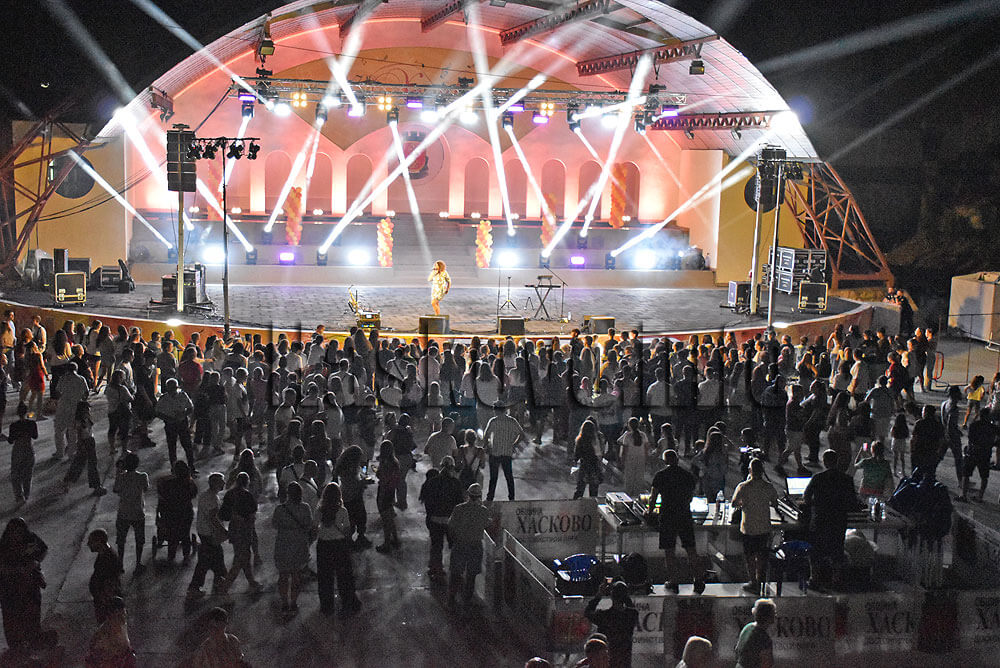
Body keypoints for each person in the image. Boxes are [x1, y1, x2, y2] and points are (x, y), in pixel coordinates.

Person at [647, 450, 704, 593]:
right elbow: (691, 496)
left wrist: (649, 511)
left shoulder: (660, 476)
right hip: (684, 515)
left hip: (667, 516)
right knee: (691, 549)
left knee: (669, 551)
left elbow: (653, 497)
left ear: (665, 461)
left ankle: (674, 581)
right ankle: (698, 580)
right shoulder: (687, 476)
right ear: (677, 460)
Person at [802, 450, 857, 590]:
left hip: (820, 520)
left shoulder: (818, 478)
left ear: (825, 461)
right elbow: (852, 501)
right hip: (839, 521)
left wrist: (814, 505)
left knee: (816, 551)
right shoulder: (847, 479)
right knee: (837, 551)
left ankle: (814, 579)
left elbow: (806, 497)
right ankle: (836, 580)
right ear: (837, 461)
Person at [731, 458, 781, 594]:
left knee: (750, 557)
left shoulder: (743, 486)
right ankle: (761, 582)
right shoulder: (769, 486)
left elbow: (734, 503)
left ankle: (753, 582)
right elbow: (775, 503)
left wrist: (743, 503)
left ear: (750, 471)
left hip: (748, 527)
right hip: (764, 527)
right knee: (761, 556)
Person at [0, 518, 49, 651]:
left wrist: (36, 562)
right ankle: (16, 645)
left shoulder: (30, 539)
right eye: (14, 532)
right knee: (12, 617)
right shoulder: (4, 545)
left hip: (30, 585)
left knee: (32, 612)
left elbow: (43, 549)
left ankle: (33, 637)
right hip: (10, 589)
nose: (17, 535)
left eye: (20, 532)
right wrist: (18, 570)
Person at [314, 482, 361, 617]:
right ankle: (347, 603)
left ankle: (327, 606)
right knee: (344, 576)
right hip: (339, 545)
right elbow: (347, 530)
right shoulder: (342, 511)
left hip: (324, 545)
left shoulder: (319, 511)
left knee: (325, 577)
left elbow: (314, 528)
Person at [418, 457, 464, 581]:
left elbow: (427, 503)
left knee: (436, 546)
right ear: (452, 468)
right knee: (454, 546)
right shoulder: (455, 483)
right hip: (450, 520)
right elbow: (460, 504)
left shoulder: (432, 482)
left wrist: (430, 517)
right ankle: (456, 570)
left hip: (435, 519)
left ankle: (436, 569)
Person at [272, 481, 313, 614]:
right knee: (296, 575)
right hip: (299, 544)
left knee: (283, 575)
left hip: (283, 544)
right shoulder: (305, 508)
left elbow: (274, 524)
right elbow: (309, 524)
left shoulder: (280, 509)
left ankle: (284, 602)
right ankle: (294, 602)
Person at [188, 473, 230, 600]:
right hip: (209, 534)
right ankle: (198, 587)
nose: (224, 483)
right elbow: (213, 518)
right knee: (209, 560)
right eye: (221, 482)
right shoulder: (212, 498)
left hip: (204, 532)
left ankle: (218, 581)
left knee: (211, 559)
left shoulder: (206, 495)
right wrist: (224, 531)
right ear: (215, 483)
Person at [447, 482, 490, 607]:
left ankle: (451, 599)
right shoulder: (483, 511)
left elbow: (451, 526)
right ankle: (467, 601)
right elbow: (487, 525)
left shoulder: (459, 508)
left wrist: (453, 540)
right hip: (475, 546)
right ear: (480, 496)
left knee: (455, 573)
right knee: (471, 576)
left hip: (460, 544)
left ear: (468, 494)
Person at [220, 471, 261, 593]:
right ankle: (225, 587)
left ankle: (252, 581)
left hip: (234, 529)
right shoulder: (247, 495)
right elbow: (252, 515)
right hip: (245, 530)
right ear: (247, 482)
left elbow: (222, 514)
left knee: (244, 557)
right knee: (240, 560)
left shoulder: (229, 494)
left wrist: (234, 516)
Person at [583, 580, 639, 668]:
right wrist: (625, 594)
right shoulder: (632, 615)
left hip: (607, 662)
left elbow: (587, 612)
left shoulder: (604, 616)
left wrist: (599, 595)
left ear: (612, 596)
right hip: (624, 663)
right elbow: (630, 606)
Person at [113, 451, 150, 575]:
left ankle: (120, 564)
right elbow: (146, 488)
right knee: (139, 540)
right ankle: (138, 563)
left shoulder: (121, 477)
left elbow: (115, 490)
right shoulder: (143, 476)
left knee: (121, 540)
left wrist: (119, 472)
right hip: (138, 512)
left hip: (123, 512)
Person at [156, 460, 198, 564]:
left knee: (172, 534)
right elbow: (193, 495)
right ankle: (186, 556)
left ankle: (171, 555)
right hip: (186, 511)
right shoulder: (190, 483)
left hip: (170, 512)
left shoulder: (167, 483)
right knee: (185, 534)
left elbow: (162, 496)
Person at [484, 403, 527, 502]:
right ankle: (511, 498)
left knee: (493, 478)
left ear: (496, 410)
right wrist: (514, 444)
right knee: (509, 477)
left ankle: (490, 498)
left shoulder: (493, 421)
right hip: (507, 452)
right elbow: (522, 435)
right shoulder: (512, 421)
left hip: (495, 453)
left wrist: (487, 446)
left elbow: (486, 435)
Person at [62, 401, 107, 496]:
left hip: (88, 442)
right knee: (91, 464)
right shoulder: (80, 422)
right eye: (87, 409)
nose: (89, 410)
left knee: (79, 463)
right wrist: (80, 445)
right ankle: (96, 486)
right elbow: (79, 434)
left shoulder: (84, 419)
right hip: (86, 443)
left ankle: (67, 482)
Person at [156, 377, 195, 471]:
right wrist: (168, 419)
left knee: (187, 445)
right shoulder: (163, 398)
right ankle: (174, 467)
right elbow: (157, 412)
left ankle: (191, 466)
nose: (172, 390)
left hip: (182, 423)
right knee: (172, 446)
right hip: (170, 424)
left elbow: (190, 408)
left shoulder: (183, 395)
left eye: (173, 387)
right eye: (170, 387)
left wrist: (183, 414)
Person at [960, 407, 998, 502]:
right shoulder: (993, 428)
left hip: (973, 453)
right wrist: (991, 444)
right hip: (985, 453)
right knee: (984, 476)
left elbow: (971, 439)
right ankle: (980, 496)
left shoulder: (974, 425)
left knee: (966, 474)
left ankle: (963, 495)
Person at [85, 597, 135, 668]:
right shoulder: (101, 638)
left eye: (124, 614)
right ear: (110, 617)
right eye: (119, 616)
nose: (123, 619)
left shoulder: (121, 625)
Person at [87, 529, 123, 623]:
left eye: (91, 541)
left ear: (99, 542)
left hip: (107, 604)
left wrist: (104, 599)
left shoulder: (109, 558)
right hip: (103, 601)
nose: (88, 544)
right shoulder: (104, 554)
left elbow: (111, 582)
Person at [375, 440, 402, 553]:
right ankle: (395, 539)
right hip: (391, 491)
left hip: (384, 491)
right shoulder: (395, 462)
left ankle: (386, 544)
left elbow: (383, 477)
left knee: (385, 519)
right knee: (390, 516)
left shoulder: (385, 463)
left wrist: (378, 473)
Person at [7, 403, 38, 504]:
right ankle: (26, 494)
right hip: (28, 447)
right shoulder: (32, 424)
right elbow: (35, 436)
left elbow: (10, 440)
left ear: (17, 413)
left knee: (16, 473)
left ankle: (19, 496)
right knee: (28, 473)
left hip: (18, 449)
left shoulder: (13, 426)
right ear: (26, 412)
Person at [734, 598, 776, 668]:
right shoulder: (764, 638)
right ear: (769, 616)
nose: (776, 615)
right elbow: (766, 664)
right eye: (774, 613)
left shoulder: (747, 627)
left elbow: (737, 650)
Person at [618, 417, 649, 497]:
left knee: (629, 478)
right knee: (639, 478)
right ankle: (637, 495)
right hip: (641, 458)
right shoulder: (643, 435)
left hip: (630, 459)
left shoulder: (627, 436)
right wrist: (646, 459)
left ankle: (628, 495)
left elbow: (624, 450)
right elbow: (646, 448)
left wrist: (622, 460)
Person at [573, 421, 604, 499]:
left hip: (584, 465)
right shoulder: (595, 440)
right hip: (594, 465)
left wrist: (576, 462)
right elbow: (599, 453)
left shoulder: (580, 440)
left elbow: (576, 455)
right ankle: (593, 504)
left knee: (580, 489)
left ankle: (575, 503)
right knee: (593, 490)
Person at [941, 385, 965, 480]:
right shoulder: (954, 408)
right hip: (952, 436)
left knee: (938, 457)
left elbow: (944, 421)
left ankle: (928, 474)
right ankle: (961, 480)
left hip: (944, 434)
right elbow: (950, 424)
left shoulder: (944, 404)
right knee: (958, 459)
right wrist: (955, 433)